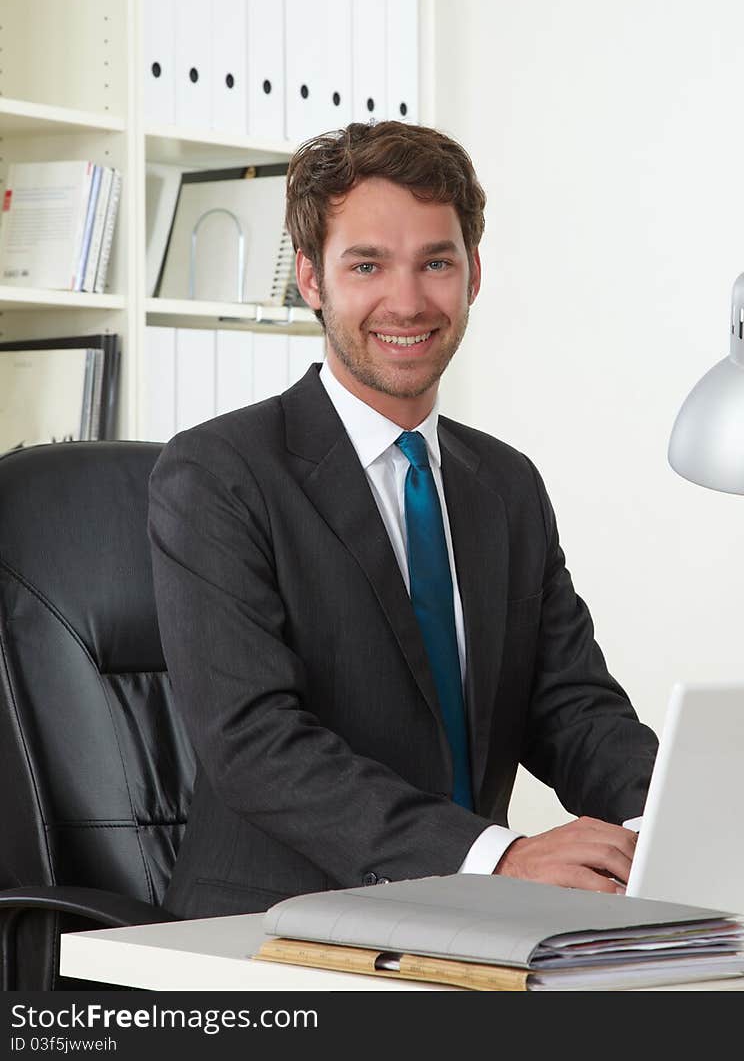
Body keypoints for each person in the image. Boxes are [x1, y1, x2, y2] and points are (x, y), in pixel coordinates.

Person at [149, 121, 658, 919]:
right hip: (276, 929)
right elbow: (256, 745)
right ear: (312, 280)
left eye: (436, 263)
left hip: (465, 924)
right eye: (367, 265)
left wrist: (670, 818)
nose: (409, 300)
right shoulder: (218, 474)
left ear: (474, 275)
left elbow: (572, 709)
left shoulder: (505, 484)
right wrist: (501, 855)